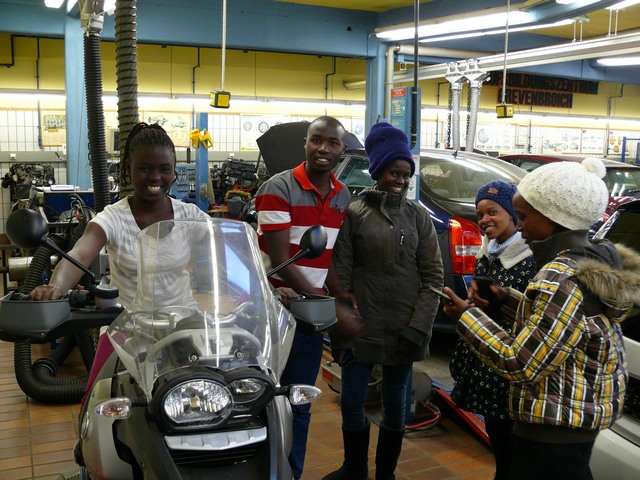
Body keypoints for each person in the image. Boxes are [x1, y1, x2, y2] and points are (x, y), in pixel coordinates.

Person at [443, 158, 639, 480]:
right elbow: (562, 326)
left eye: (523, 217)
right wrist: (506, 299)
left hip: (552, 427)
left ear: (553, 216)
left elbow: (521, 362)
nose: (520, 226)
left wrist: (467, 317)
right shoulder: (589, 261)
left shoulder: (561, 276)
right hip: (572, 421)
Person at [28, 122, 211, 410]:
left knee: (204, 401)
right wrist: (56, 286)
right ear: (128, 169)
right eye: (145, 168)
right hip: (128, 329)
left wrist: (262, 281)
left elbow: (227, 247)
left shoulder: (190, 215)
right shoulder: (113, 217)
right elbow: (80, 253)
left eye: (164, 169)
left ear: (174, 171)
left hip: (183, 327)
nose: (155, 177)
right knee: (99, 403)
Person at [324, 122, 444, 480]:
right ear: (377, 172)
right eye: (394, 173)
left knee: (395, 406)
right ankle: (354, 468)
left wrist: (418, 328)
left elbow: (433, 278)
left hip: (404, 331)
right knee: (351, 403)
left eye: (406, 175)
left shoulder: (418, 217)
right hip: (362, 329)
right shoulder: (354, 215)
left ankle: (385, 474)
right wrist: (342, 333)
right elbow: (341, 277)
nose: (401, 181)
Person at [254, 115, 360, 480]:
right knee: (263, 401)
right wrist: (325, 302)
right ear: (306, 143)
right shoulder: (277, 188)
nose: (323, 148)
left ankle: (292, 474)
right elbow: (281, 258)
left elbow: (323, 254)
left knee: (299, 401)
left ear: (342, 150)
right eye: (317, 140)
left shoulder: (342, 195)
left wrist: (337, 290)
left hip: (309, 317)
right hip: (273, 312)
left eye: (332, 143)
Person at [448, 180, 534, 480]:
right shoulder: (486, 253)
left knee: (510, 442)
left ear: (513, 213)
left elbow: (529, 316)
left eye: (492, 212)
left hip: (507, 364)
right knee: (497, 437)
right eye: (480, 214)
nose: (484, 219)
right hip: (485, 357)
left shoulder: (530, 260)